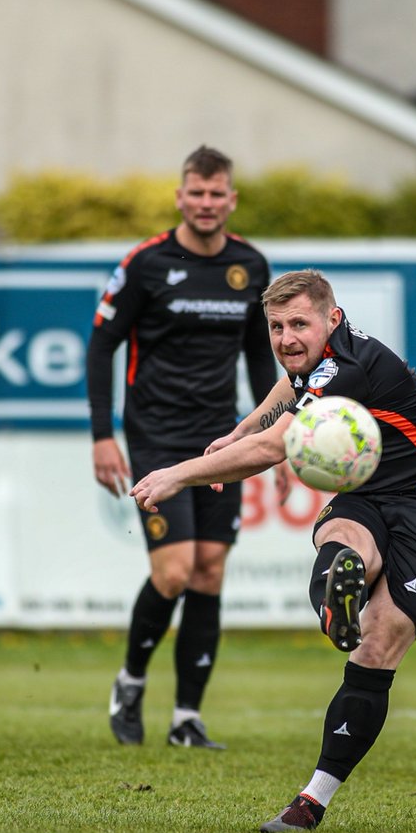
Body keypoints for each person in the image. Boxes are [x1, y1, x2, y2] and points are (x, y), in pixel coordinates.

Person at [129, 269, 416, 833]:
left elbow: (275, 447)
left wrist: (177, 475)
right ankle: (340, 589)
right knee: (341, 539)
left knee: (381, 638)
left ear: (332, 319)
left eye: (299, 324)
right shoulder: (320, 357)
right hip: (370, 492)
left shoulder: (351, 368)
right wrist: (239, 431)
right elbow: (287, 392)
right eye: (276, 326)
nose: (287, 337)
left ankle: (313, 798)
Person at [88, 145, 280, 750]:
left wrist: (267, 433)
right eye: (195, 192)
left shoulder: (250, 265)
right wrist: (102, 435)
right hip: (154, 436)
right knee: (172, 572)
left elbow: (258, 354)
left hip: (219, 437)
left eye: (216, 193)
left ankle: (186, 720)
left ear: (231, 199)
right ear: (180, 196)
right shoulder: (145, 264)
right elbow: (101, 346)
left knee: (209, 570)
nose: (205, 203)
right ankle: (130, 681)